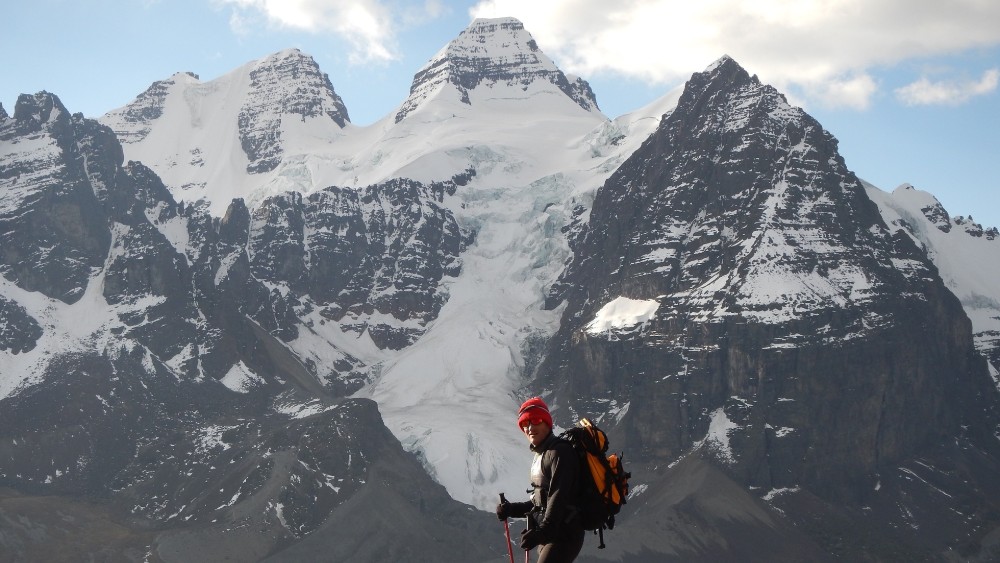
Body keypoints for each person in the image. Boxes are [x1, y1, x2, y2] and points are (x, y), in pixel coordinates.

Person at [496, 397, 585, 562]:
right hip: (551, 534)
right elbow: (540, 502)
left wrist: (543, 532)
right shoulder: (543, 455)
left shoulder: (560, 453)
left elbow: (558, 496)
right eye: (524, 424)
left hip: (564, 534)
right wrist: (510, 509)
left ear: (547, 423)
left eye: (535, 420)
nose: (529, 428)